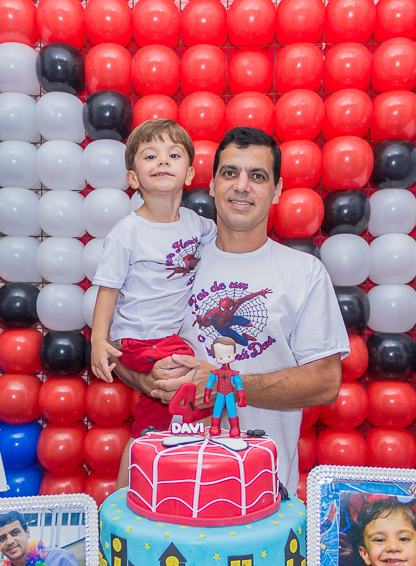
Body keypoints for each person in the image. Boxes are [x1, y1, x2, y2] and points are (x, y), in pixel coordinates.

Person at [114, 126, 349, 493]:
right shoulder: (175, 258)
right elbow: (116, 350)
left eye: (257, 176)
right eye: (229, 173)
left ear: (277, 190)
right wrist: (151, 383)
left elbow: (326, 382)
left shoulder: (305, 272)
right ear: (211, 186)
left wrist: (223, 384)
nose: (242, 186)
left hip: (259, 487)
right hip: (172, 482)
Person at [90, 118, 217, 436]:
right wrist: (99, 341)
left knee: (186, 378)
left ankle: (167, 438)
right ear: (133, 178)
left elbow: (225, 237)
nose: (162, 161)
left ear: (188, 174)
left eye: (174, 155)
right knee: (183, 371)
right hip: (135, 338)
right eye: (150, 156)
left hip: (167, 338)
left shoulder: (194, 223)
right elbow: (109, 289)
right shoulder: (128, 231)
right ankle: (154, 441)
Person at [204, 336, 245, 436]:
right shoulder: (214, 373)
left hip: (229, 393)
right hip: (220, 393)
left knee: (232, 411)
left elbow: (239, 386)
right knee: (217, 410)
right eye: (220, 356)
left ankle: (234, 427)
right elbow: (209, 384)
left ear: (234, 353)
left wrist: (241, 398)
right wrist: (206, 395)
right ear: (215, 356)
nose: (224, 358)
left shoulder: (235, 374)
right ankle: (215, 426)